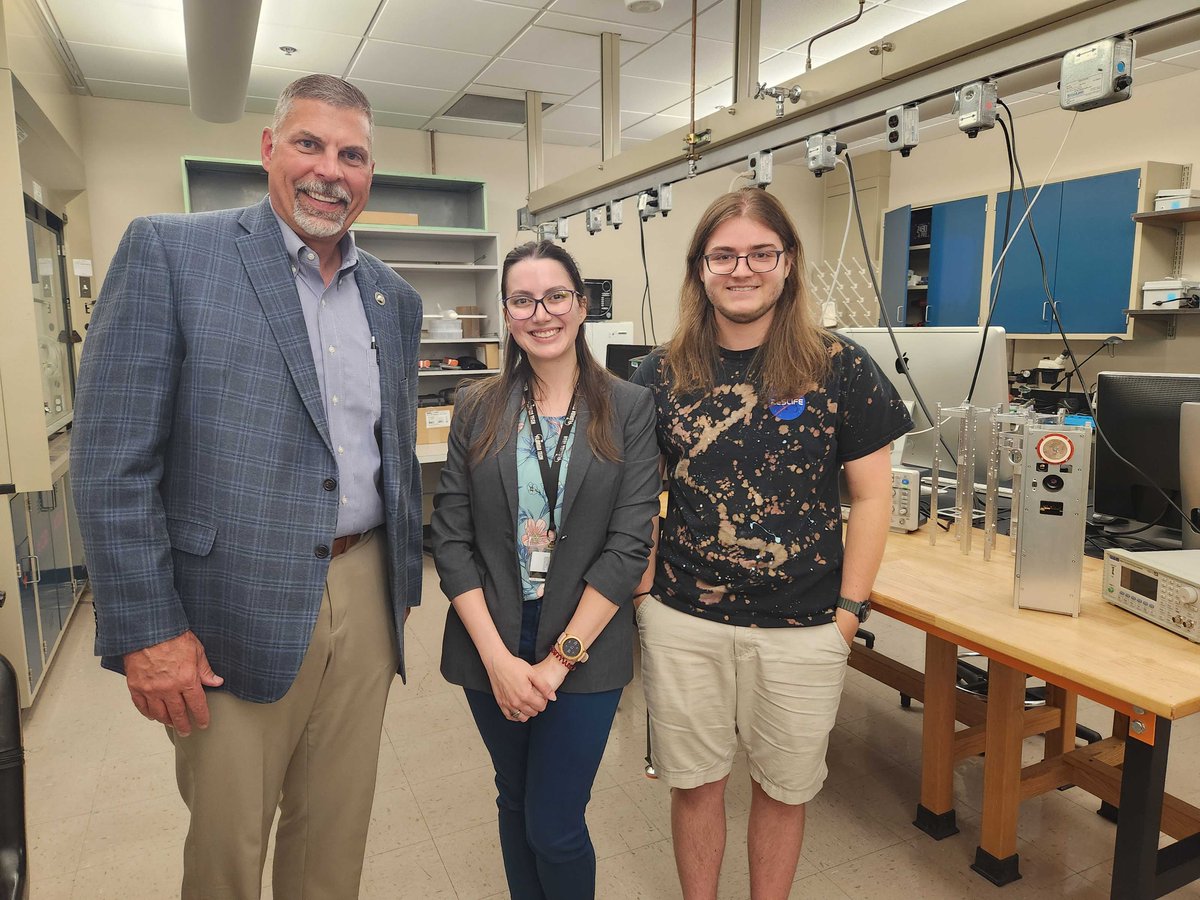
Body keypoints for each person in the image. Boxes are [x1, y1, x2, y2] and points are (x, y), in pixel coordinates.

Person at [70, 74, 423, 899]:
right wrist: (148, 628)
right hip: (226, 608)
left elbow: (392, 455)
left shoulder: (393, 299)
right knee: (227, 849)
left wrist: (400, 591)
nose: (330, 171)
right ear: (268, 149)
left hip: (366, 590)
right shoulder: (172, 253)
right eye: (309, 144)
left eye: (352, 155)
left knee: (336, 836)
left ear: (371, 174)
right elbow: (112, 461)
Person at [630, 188, 913, 899]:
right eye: (723, 255)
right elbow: (636, 497)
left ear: (788, 263)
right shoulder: (660, 374)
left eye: (761, 253)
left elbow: (873, 496)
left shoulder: (839, 367)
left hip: (804, 624)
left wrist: (848, 612)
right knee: (695, 786)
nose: (742, 269)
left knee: (784, 791)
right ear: (700, 268)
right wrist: (644, 595)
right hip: (684, 618)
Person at [432, 240, 660, 900]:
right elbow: (450, 538)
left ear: (581, 306)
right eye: (523, 300)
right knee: (513, 799)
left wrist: (558, 662)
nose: (542, 313)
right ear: (506, 314)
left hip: (585, 643)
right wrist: (499, 662)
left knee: (555, 825)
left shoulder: (629, 406)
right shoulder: (477, 405)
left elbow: (628, 547)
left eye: (556, 296)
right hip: (492, 637)